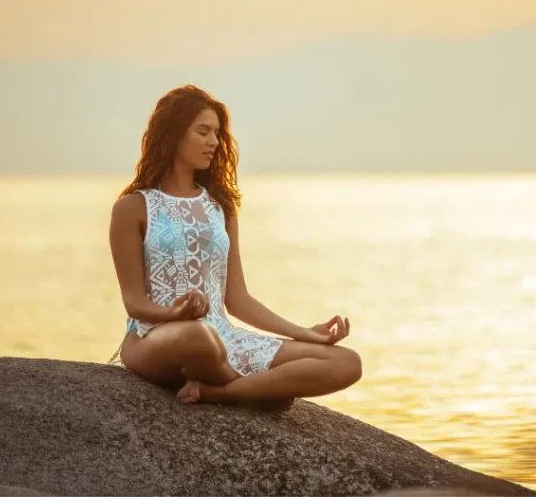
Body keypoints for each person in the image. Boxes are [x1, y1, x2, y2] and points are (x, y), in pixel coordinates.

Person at [107, 85, 362, 404]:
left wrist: (304, 333)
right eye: (203, 131)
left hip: (221, 338)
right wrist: (173, 313)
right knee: (198, 336)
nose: (214, 141)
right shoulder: (132, 208)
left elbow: (237, 299)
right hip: (154, 337)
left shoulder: (220, 207)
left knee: (346, 362)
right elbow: (133, 302)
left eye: (217, 132)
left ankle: (218, 392)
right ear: (173, 134)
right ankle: (257, 389)